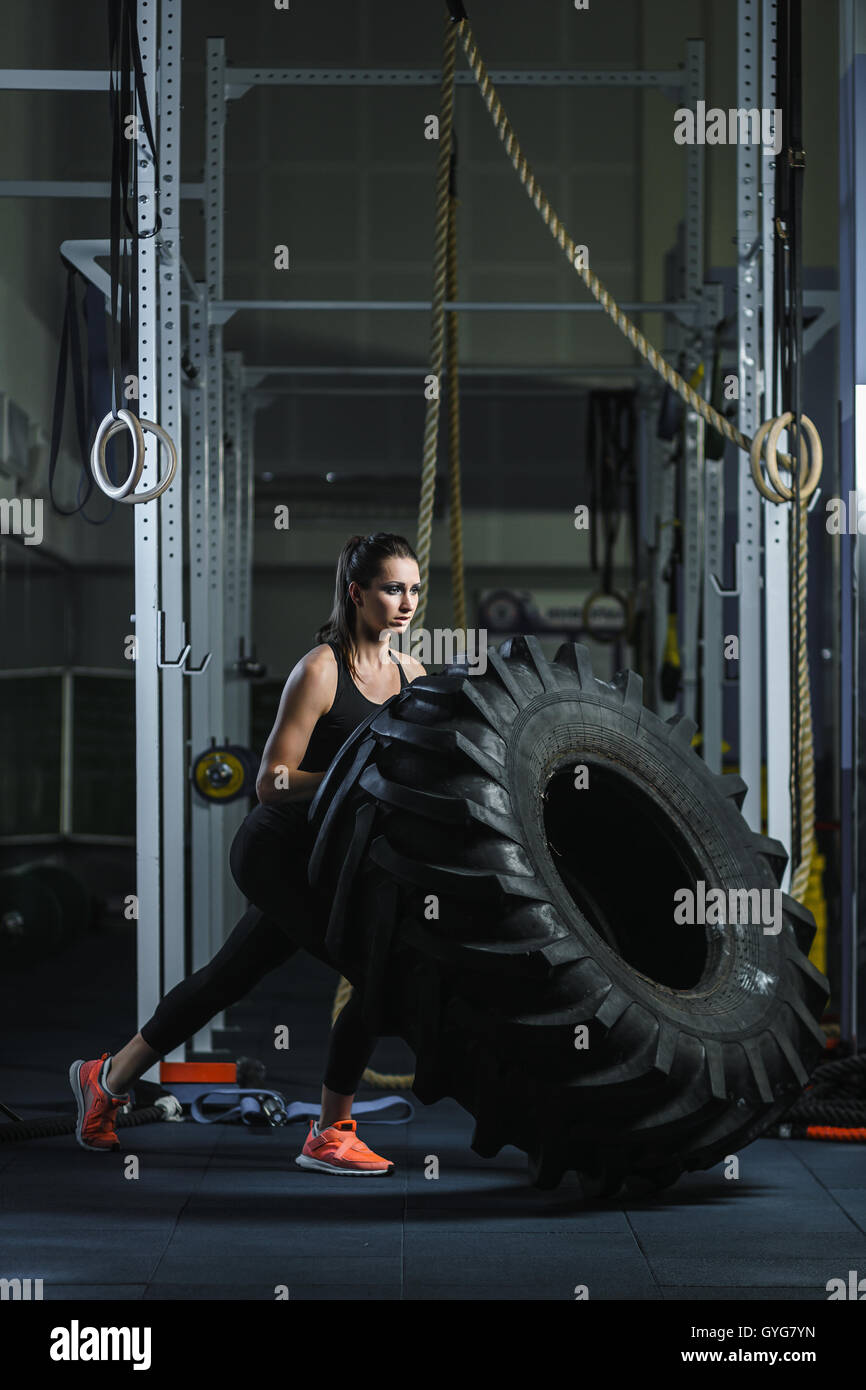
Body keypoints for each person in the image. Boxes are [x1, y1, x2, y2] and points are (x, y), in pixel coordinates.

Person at [69, 533, 426, 1175]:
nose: (406, 603)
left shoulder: (411, 676)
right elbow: (272, 781)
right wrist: (356, 780)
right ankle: (330, 1133)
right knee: (376, 973)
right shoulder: (320, 669)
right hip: (277, 851)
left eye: (414, 590)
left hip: (334, 862)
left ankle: (108, 1079)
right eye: (392, 589)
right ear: (357, 593)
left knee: (229, 976)